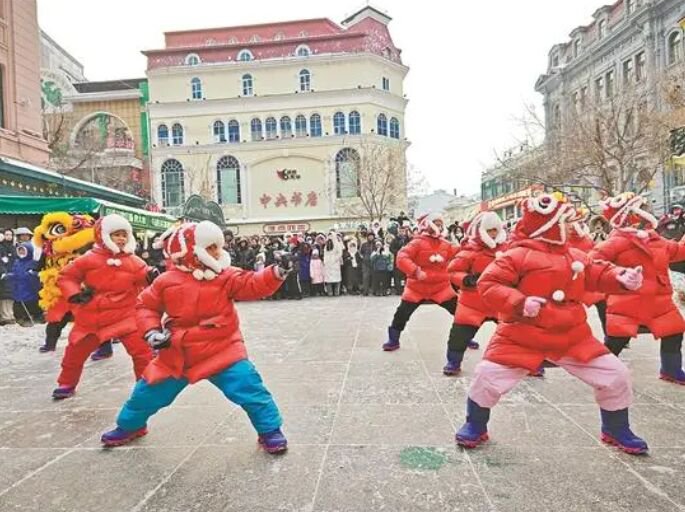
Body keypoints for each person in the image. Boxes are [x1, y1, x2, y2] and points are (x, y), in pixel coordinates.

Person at [455, 193, 648, 455]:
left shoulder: (574, 255)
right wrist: (520, 302)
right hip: (521, 335)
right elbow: (489, 283)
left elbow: (597, 272)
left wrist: (621, 277)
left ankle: (616, 428)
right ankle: (475, 424)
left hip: (572, 335)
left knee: (615, 374)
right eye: (564, 222)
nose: (570, 226)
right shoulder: (515, 255)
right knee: (486, 376)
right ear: (549, 225)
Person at [100, 221, 290, 453]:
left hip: (222, 348)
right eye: (211, 247)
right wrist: (151, 331)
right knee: (147, 391)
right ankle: (130, 426)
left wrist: (276, 272)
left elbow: (252, 283)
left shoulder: (226, 275)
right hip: (178, 350)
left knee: (249, 386)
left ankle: (270, 430)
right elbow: (146, 306)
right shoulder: (165, 281)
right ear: (191, 250)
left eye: (218, 247)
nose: (217, 252)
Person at [51, 214, 154, 399]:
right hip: (93, 316)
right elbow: (67, 276)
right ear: (104, 236)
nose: (121, 239)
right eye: (116, 234)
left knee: (142, 351)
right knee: (75, 352)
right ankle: (66, 383)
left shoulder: (135, 261)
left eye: (124, 235)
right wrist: (74, 294)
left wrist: (150, 276)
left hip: (126, 314)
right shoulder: (88, 259)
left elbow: (144, 277)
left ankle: (146, 385)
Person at [591, 193, 685, 385]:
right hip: (627, 301)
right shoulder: (616, 242)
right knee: (616, 340)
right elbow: (592, 262)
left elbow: (678, 251)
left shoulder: (656, 240)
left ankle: (671, 370)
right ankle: (600, 371)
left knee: (674, 332)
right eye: (641, 209)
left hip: (660, 302)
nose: (646, 212)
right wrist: (616, 275)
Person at [383, 213, 459, 351]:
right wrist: (415, 271)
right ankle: (393, 340)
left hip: (441, 288)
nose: (439, 227)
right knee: (401, 314)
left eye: (440, 224)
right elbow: (402, 257)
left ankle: (465, 338)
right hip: (416, 288)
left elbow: (460, 255)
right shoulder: (416, 242)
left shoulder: (446, 244)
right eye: (436, 224)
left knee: (461, 312)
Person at [444, 211, 506, 375]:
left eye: (495, 230)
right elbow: (453, 271)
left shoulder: (508, 250)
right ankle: (453, 361)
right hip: (472, 303)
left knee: (519, 334)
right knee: (459, 336)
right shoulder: (469, 250)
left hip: (501, 302)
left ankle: (530, 364)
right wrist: (466, 279)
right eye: (489, 230)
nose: (493, 233)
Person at [33, 212, 96, 353]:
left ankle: (101, 345)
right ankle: (50, 344)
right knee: (55, 319)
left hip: (80, 289)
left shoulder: (86, 248)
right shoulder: (50, 249)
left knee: (89, 319)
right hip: (57, 290)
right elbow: (41, 264)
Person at [5, 242, 43, 326]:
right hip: (19, 287)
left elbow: (38, 273)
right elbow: (14, 272)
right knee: (19, 303)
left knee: (31, 303)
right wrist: (9, 276)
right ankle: (22, 318)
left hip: (30, 287)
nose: (21, 252)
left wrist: (32, 274)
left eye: (23, 250)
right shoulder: (17, 262)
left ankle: (34, 317)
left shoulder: (33, 262)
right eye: (20, 250)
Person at [0, 231, 15, 326]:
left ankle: (9, 315)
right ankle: (5, 316)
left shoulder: (13, 247)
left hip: (10, 273)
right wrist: (2, 272)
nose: (8, 236)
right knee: (4, 295)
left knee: (9, 295)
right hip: (3, 273)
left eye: (10, 235)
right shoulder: (2, 247)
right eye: (6, 234)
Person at [324, 231, 343, 296]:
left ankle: (336, 292)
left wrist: (335, 259)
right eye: (329, 235)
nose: (330, 236)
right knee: (328, 280)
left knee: (337, 279)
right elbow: (325, 253)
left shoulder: (337, 244)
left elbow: (340, 253)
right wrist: (325, 261)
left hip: (335, 263)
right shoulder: (327, 244)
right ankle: (330, 292)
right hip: (328, 264)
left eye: (331, 235)